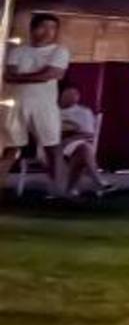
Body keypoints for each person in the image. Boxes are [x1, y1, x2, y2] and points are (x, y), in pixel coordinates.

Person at [6, 12, 70, 182]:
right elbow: (8, 75)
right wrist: (38, 76)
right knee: (11, 148)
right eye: (43, 27)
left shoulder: (59, 51)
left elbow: (53, 74)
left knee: (52, 148)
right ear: (33, 29)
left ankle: (59, 190)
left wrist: (19, 78)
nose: (48, 31)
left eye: (53, 28)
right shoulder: (18, 51)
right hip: (17, 105)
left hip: (45, 107)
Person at [55, 84, 108, 197]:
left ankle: (94, 182)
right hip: (53, 144)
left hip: (75, 142)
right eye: (68, 94)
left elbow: (88, 134)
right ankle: (96, 181)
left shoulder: (83, 112)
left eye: (75, 94)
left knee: (83, 149)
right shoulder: (52, 111)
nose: (73, 97)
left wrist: (70, 138)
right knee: (83, 153)